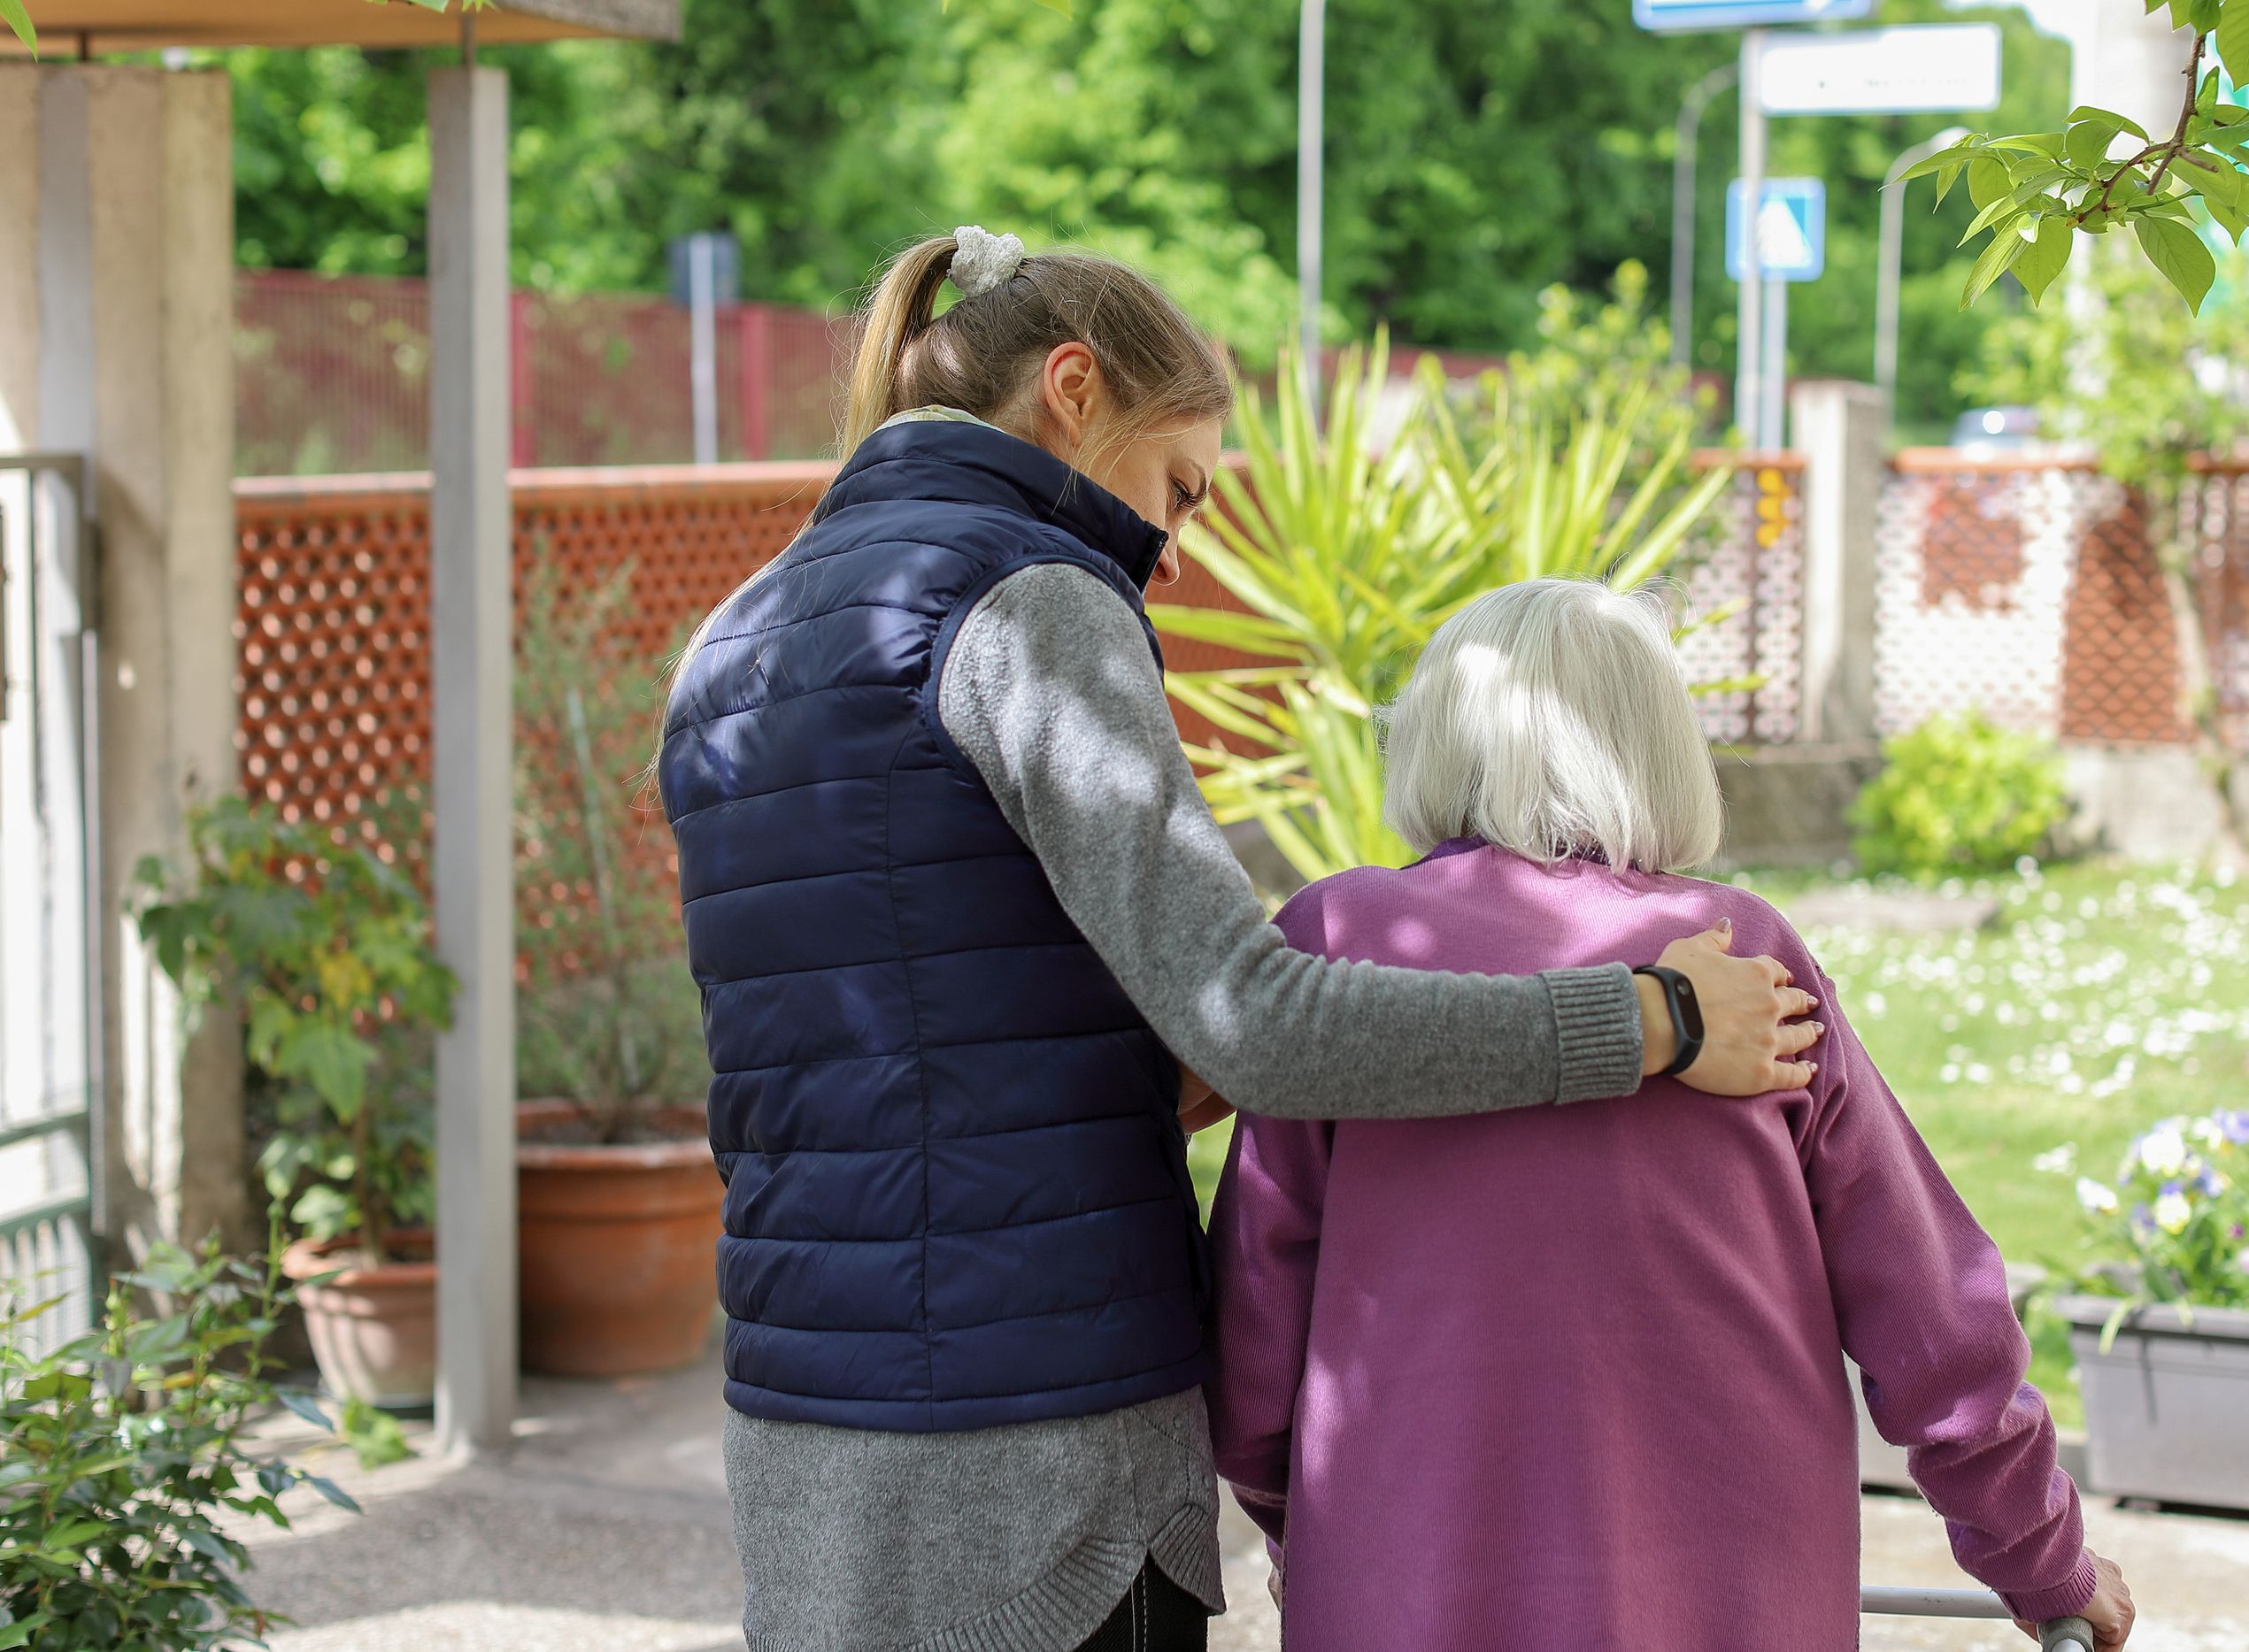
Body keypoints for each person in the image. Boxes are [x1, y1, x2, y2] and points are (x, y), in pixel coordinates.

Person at [657, 230, 1824, 1652]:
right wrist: (1651, 1020)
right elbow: (1252, 1016)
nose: (1174, 540)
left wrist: (1134, 1074)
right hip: (1045, 1446)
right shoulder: (1032, 603)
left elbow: (871, 1037)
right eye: (1176, 489)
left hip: (799, 1415)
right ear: (1072, 390)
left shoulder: (735, 641)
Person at [1206, 578, 2138, 1652]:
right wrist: (2044, 1560)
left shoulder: (1339, 940)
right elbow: (1931, 1318)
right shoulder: (1740, 958)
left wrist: (1309, 1533)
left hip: (1413, 1589)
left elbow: (1254, 1336)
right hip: (1732, 1601)